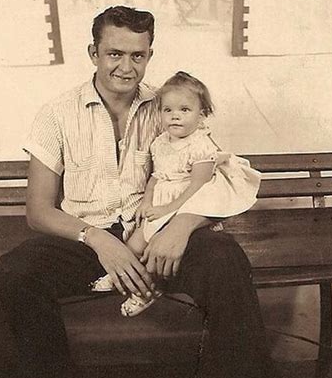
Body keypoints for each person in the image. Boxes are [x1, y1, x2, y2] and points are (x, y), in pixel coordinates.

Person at [0, 5, 288, 378]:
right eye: (114, 53)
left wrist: (180, 226)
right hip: (89, 241)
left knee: (225, 259)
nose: (126, 67)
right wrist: (97, 240)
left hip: (157, 234)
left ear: (150, 55)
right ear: (93, 52)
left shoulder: (169, 104)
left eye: (138, 55)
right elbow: (39, 211)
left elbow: (216, 170)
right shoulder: (56, 114)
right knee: (16, 271)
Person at [91, 70, 262, 319]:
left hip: (187, 207)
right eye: (168, 110)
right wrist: (148, 203)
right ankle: (122, 278)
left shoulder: (201, 145)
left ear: (201, 115)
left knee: (154, 251)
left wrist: (168, 210)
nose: (175, 117)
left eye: (184, 110)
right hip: (162, 205)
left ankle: (146, 291)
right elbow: (156, 177)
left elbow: (198, 186)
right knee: (134, 244)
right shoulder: (160, 143)